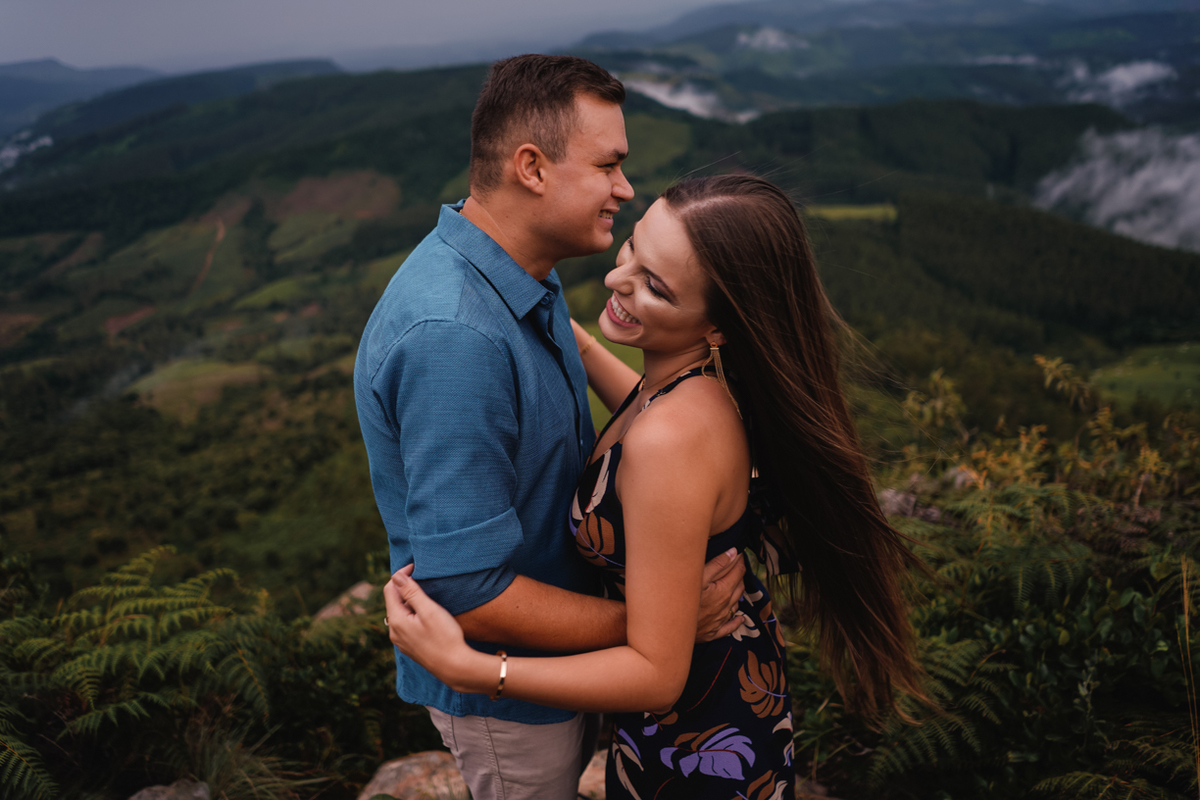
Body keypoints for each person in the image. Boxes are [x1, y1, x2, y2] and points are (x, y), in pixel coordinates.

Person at [384, 174, 928, 799]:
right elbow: (643, 420)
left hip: (697, 744)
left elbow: (655, 674)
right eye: (633, 249)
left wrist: (476, 670)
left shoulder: (668, 443)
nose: (618, 280)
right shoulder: (694, 388)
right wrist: (569, 337)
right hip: (719, 698)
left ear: (718, 327)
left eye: (656, 288)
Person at [353, 54, 747, 800]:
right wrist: (655, 623)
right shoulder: (457, 338)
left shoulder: (521, 272)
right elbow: (469, 588)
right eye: (608, 165)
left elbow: (646, 408)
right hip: (514, 697)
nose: (624, 188)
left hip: (567, 657)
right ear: (531, 168)